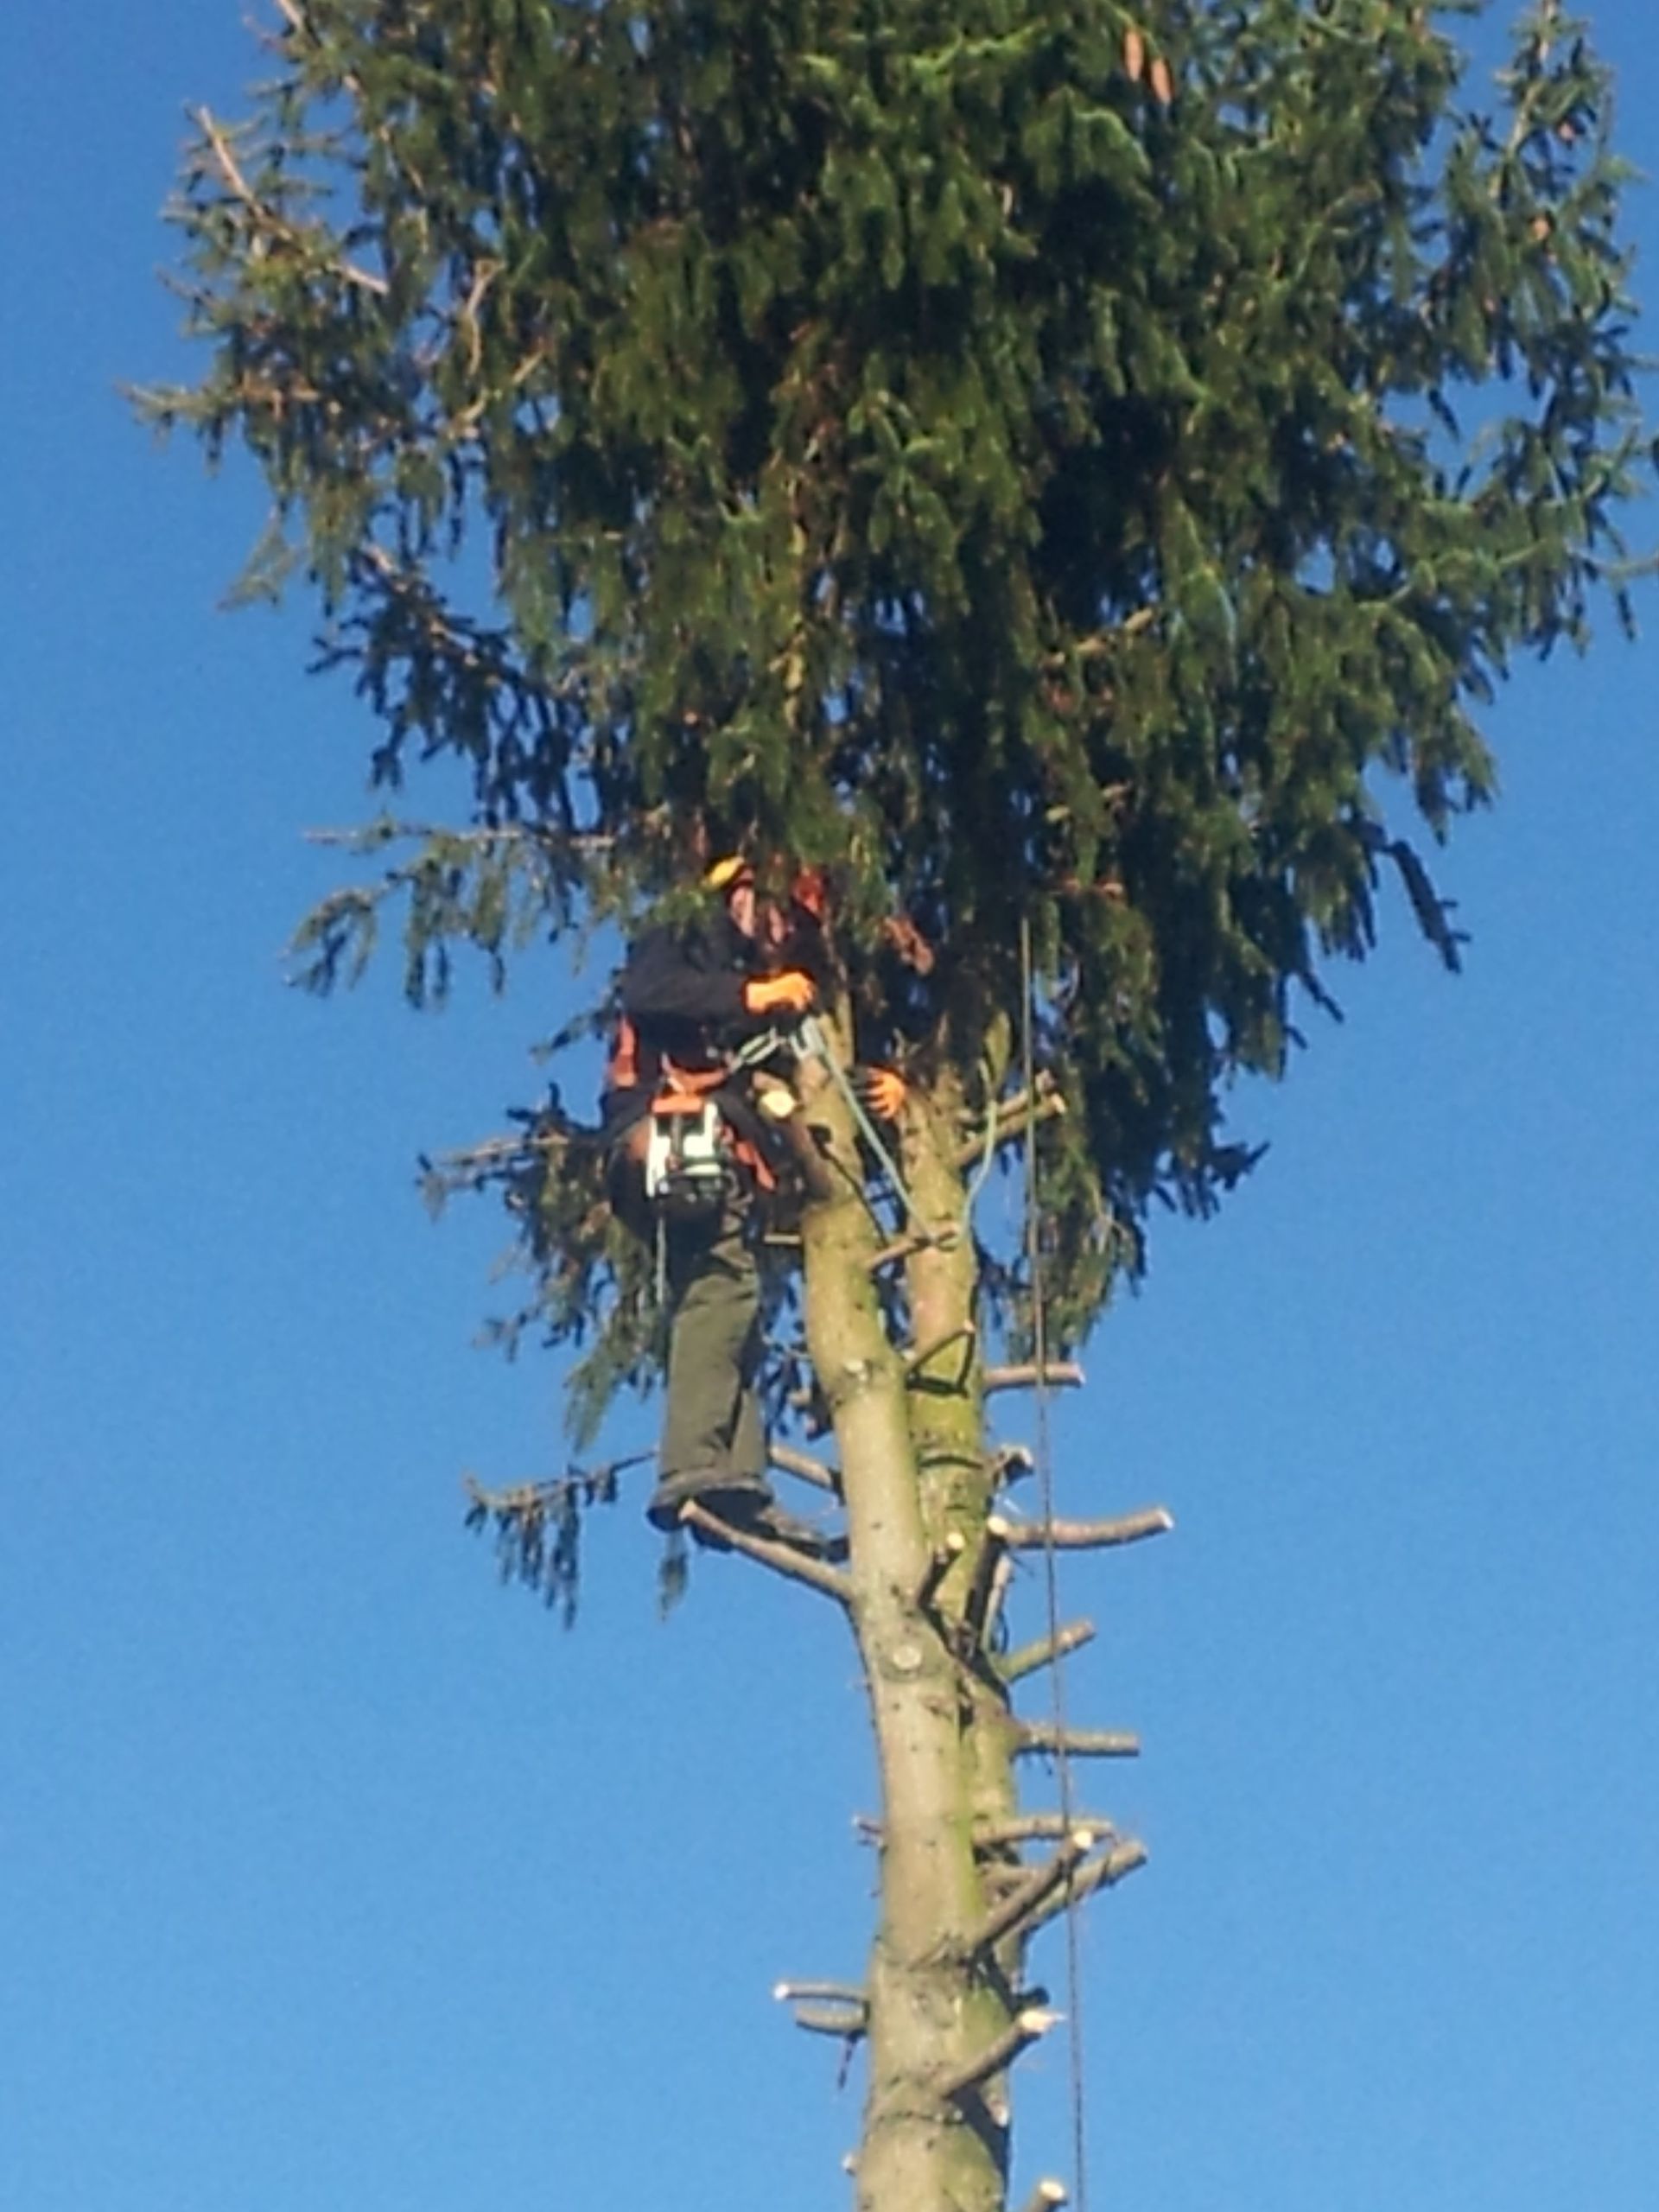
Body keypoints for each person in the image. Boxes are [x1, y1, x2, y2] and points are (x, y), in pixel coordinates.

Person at [602, 855, 835, 1540]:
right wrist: (753, 996)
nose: (780, 934)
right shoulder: (683, 934)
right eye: (778, 915)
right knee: (723, 1292)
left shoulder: (729, 973)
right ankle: (693, 1464)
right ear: (741, 891)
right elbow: (648, 992)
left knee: (732, 1306)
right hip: (664, 1133)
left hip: (697, 1148)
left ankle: (734, 1479)